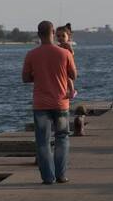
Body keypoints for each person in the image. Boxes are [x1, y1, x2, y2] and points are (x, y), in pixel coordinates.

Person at [22, 20, 77, 184]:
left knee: (43, 142)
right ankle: (61, 175)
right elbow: (73, 75)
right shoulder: (64, 53)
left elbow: (25, 78)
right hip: (61, 103)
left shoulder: (31, 54)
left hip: (40, 105)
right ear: (53, 33)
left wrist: (38, 76)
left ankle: (47, 177)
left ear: (38, 35)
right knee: (62, 138)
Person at [56, 23, 77, 99]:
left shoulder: (67, 45)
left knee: (68, 78)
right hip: (61, 65)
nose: (60, 38)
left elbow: (72, 53)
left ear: (68, 37)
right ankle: (65, 91)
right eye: (58, 36)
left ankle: (72, 91)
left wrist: (68, 54)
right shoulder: (58, 46)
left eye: (63, 36)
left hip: (67, 64)